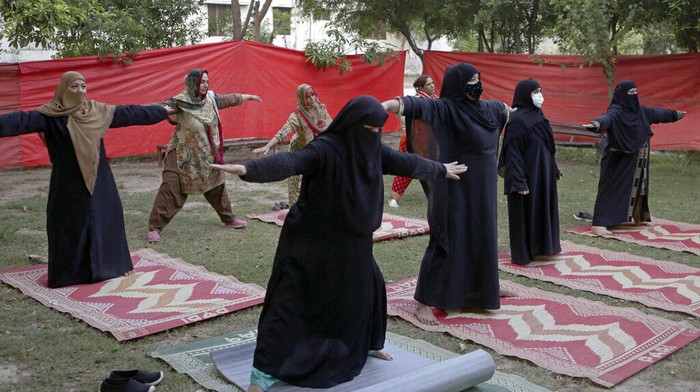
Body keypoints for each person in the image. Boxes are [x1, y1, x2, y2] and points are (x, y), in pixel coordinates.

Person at [210, 95, 467, 392]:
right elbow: (292, 161)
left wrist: (440, 169)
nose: (373, 135)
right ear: (352, 124)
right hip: (310, 241)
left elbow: (406, 162)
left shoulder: (373, 150)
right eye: (369, 129)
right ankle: (264, 372)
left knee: (368, 292)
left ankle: (367, 346)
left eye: (377, 130)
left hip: (352, 242)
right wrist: (249, 170)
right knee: (291, 301)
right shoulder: (326, 148)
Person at [0, 71, 171, 288]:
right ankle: (69, 275)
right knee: (68, 225)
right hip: (67, 183)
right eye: (74, 87)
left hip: (100, 180)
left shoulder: (96, 111)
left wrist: (162, 111)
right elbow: (18, 121)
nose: (80, 91)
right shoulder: (50, 115)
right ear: (64, 89)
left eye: (83, 86)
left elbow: (130, 113)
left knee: (105, 219)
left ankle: (110, 268)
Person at [382, 63, 512, 325]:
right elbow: (410, 105)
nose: (476, 84)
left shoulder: (490, 109)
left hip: (482, 187)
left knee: (481, 234)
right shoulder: (444, 108)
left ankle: (485, 288)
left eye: (478, 78)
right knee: (447, 236)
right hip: (452, 183)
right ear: (457, 84)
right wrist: (382, 107)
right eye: (471, 80)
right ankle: (426, 300)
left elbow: (508, 111)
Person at [146, 68, 262, 243]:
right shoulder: (179, 102)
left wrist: (247, 97)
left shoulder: (211, 100)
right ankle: (155, 228)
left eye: (207, 81)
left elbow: (230, 99)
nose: (205, 85)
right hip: (181, 153)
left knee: (217, 186)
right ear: (192, 83)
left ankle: (228, 218)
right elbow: (159, 109)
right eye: (201, 82)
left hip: (206, 153)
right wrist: (138, 111)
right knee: (170, 187)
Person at [582, 79, 686, 236]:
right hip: (617, 159)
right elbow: (606, 119)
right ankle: (600, 223)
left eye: (635, 92)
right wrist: (596, 124)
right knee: (610, 187)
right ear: (621, 95)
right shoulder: (615, 112)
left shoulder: (641, 111)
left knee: (639, 186)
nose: (633, 96)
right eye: (630, 93)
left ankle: (636, 215)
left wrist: (675, 115)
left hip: (638, 158)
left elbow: (659, 113)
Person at [497, 79, 561, 265]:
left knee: (543, 208)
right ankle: (525, 253)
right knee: (525, 212)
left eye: (540, 90)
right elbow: (513, 153)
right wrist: (518, 181)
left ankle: (543, 248)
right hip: (526, 175)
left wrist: (554, 169)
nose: (539, 95)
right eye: (535, 92)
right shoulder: (516, 120)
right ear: (525, 94)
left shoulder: (539, 115)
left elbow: (547, 145)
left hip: (543, 173)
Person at [252, 84, 332, 205]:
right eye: (308, 96)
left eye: (313, 95)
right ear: (301, 98)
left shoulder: (321, 108)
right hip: (299, 149)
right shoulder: (297, 115)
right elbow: (284, 131)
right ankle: (294, 209)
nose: (312, 99)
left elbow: (331, 126)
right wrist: (268, 146)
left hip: (317, 149)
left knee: (320, 177)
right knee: (295, 180)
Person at [388, 75, 438, 208]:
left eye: (432, 83)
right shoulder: (416, 100)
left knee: (433, 167)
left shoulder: (435, 99)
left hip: (430, 141)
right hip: (413, 140)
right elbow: (400, 109)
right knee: (407, 167)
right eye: (428, 84)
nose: (432, 86)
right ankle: (394, 198)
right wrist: (405, 125)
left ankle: (436, 196)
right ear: (421, 87)